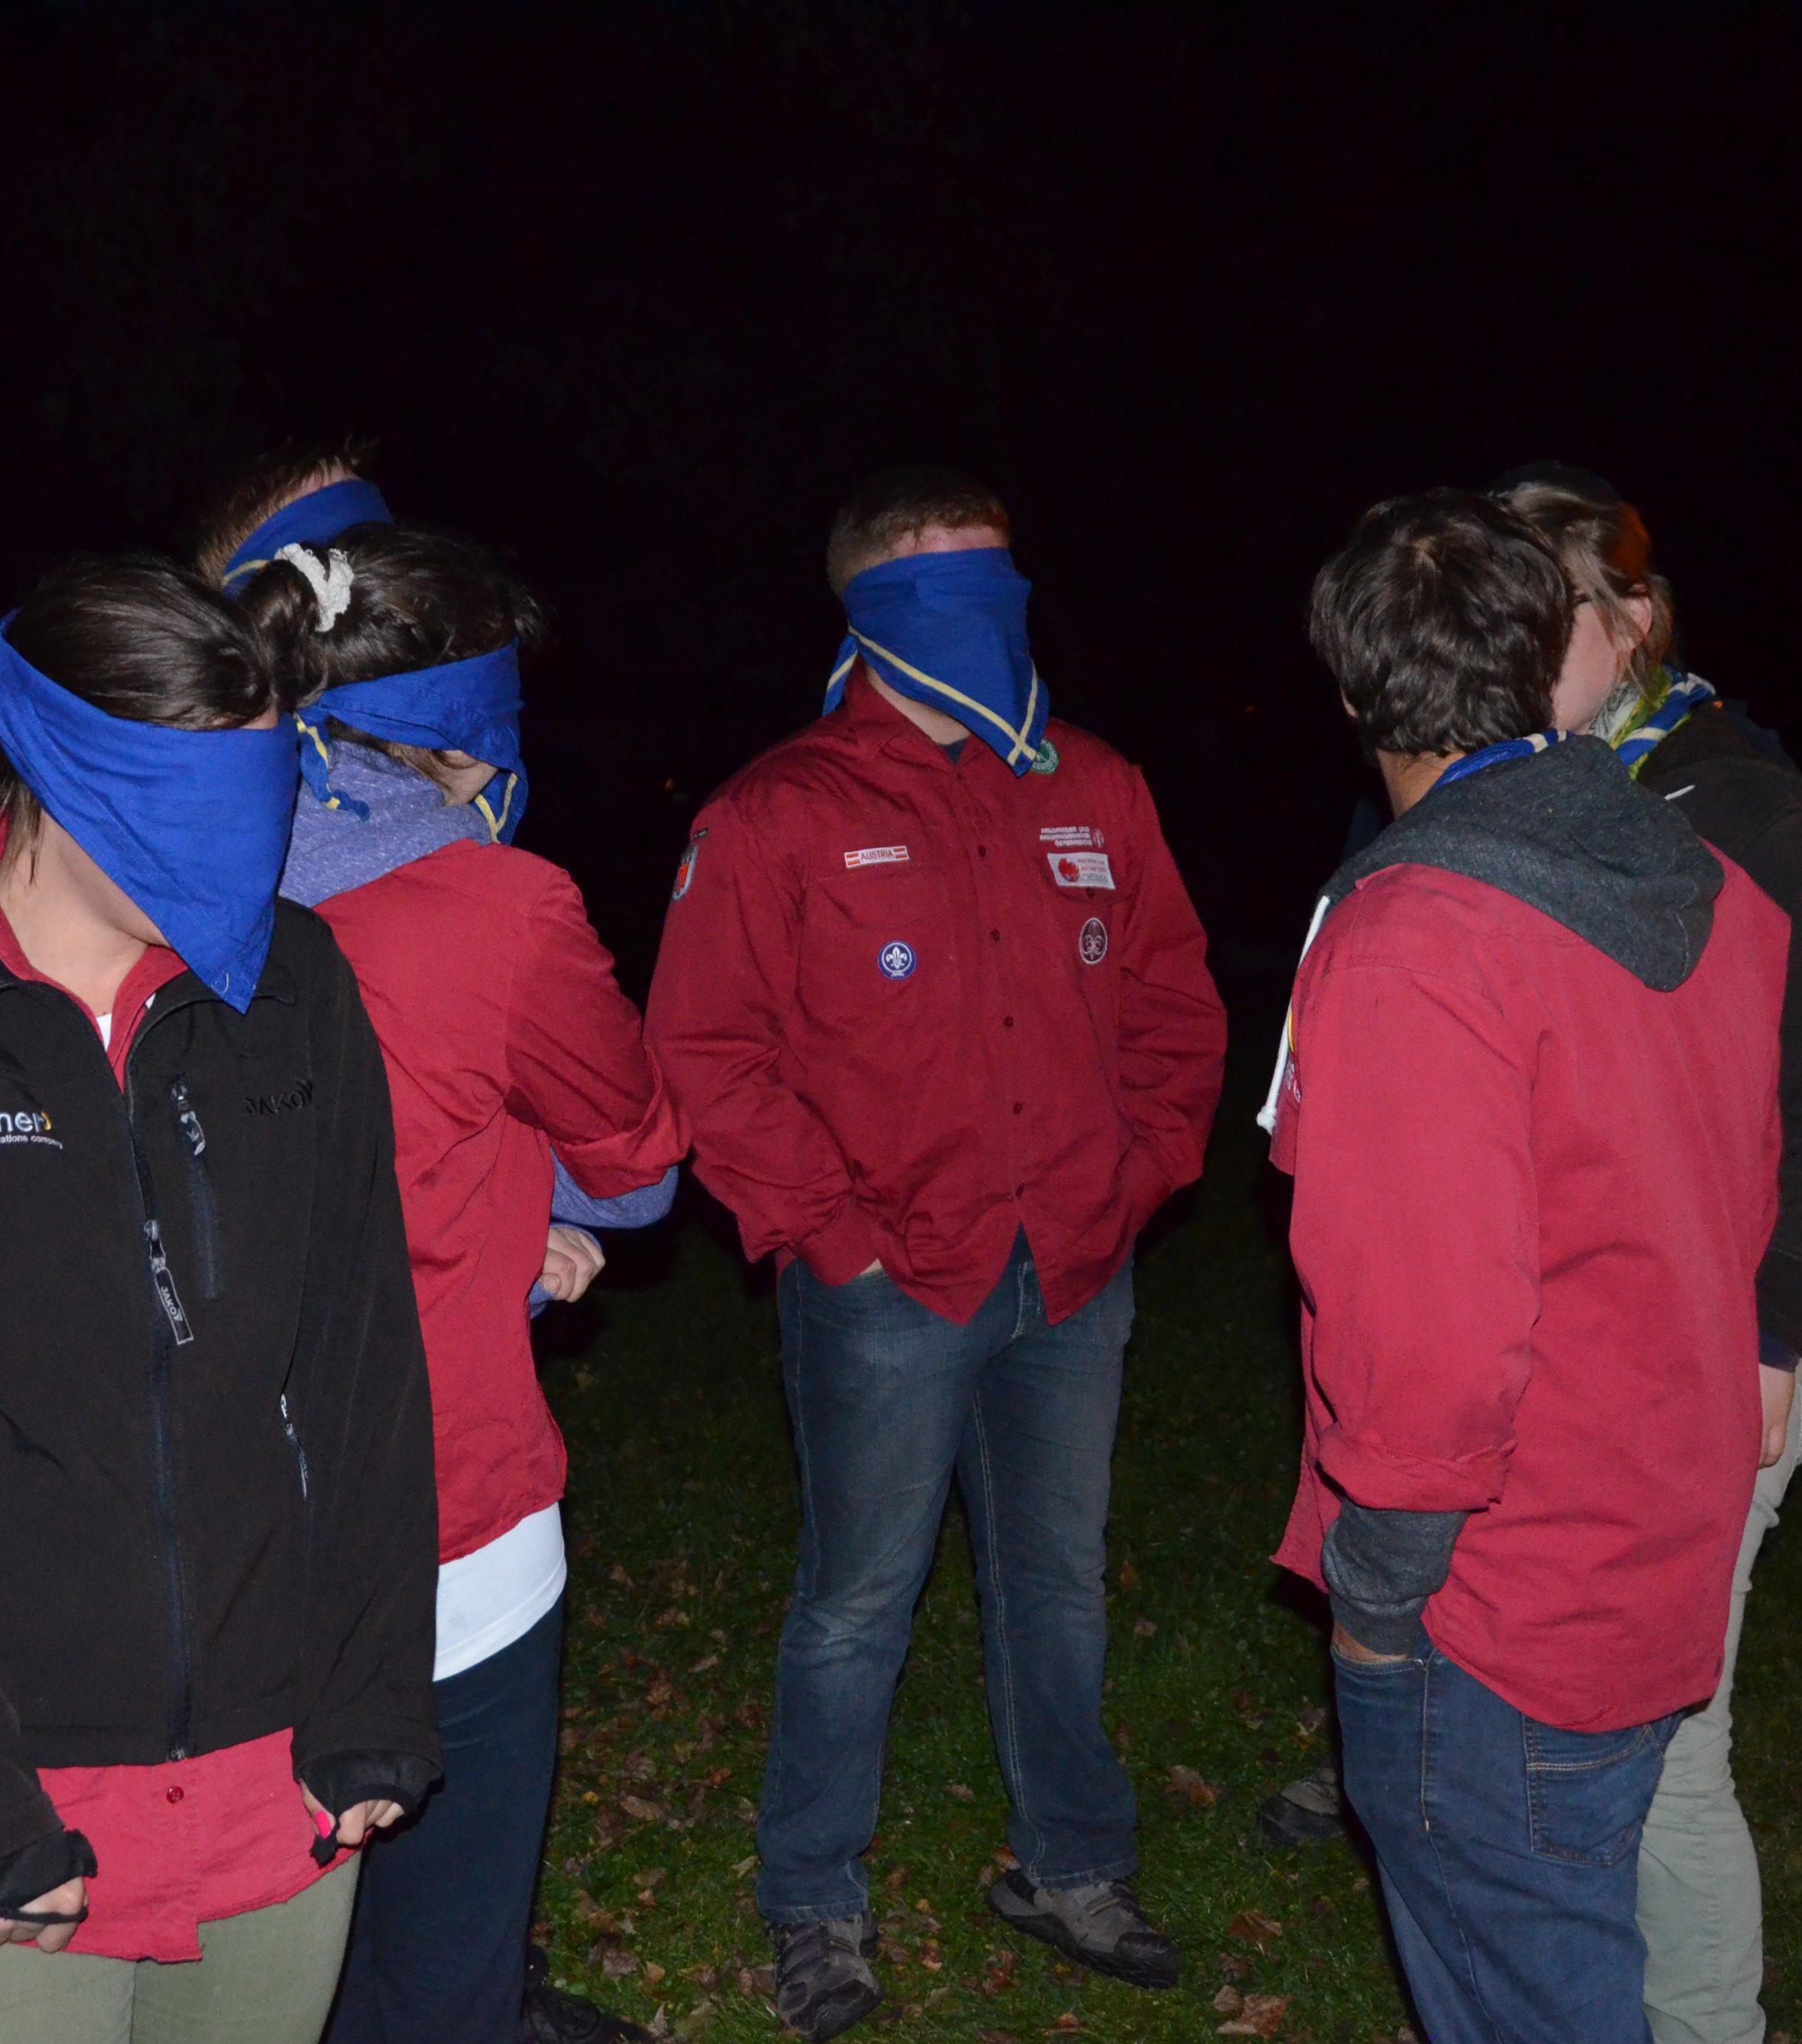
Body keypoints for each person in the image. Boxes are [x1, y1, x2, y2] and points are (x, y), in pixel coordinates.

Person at [0, 555, 442, 2043]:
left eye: (259, 802)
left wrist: (371, 1695)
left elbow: (362, 1359)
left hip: (273, 1785)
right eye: (185, 805)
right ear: (55, 773)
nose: (238, 856)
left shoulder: (296, 988)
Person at [646, 466, 1226, 2039]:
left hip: (1075, 1268)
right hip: (891, 1286)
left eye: (999, 580)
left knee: (1057, 1585)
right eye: (942, 588)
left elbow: (1175, 1005)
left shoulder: (1094, 785)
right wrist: (832, 1238)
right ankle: (814, 1902)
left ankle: (1071, 1867)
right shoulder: (779, 811)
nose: (984, 619)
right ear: (870, 610)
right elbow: (705, 1051)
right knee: (856, 1605)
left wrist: (1136, 1179)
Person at [1268, 489, 1786, 2044]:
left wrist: (1377, 1598)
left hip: (1499, 1597)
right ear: (1547, 649)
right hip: (1655, 1536)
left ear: (1352, 690)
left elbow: (1427, 1340)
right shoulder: (1699, 880)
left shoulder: (1417, 936)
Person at [197, 461, 690, 2044]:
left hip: (194, 1528)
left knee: (266, 1957)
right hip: (446, 1521)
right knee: (443, 1953)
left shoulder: (127, 882)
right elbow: (637, 1169)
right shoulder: (497, 907)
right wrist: (529, 1202)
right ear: (473, 730)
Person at [1498, 466, 1802, 2044]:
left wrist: (1771, 1328)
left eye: (1548, 612)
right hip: (1555, 1343)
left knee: (1670, 1743)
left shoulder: (1744, 811)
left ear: (1635, 620)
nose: (1514, 646)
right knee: (1548, 1723)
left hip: (1701, 1358)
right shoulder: (1502, 796)